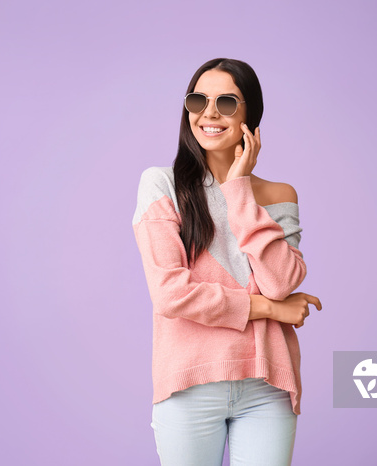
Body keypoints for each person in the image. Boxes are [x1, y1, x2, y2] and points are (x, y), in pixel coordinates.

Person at [132, 58, 322, 466]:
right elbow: (170, 295)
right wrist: (269, 310)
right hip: (190, 385)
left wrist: (238, 190)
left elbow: (280, 282)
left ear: (251, 117)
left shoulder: (278, 194)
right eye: (198, 99)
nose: (209, 112)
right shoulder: (161, 185)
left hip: (266, 386)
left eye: (227, 102)